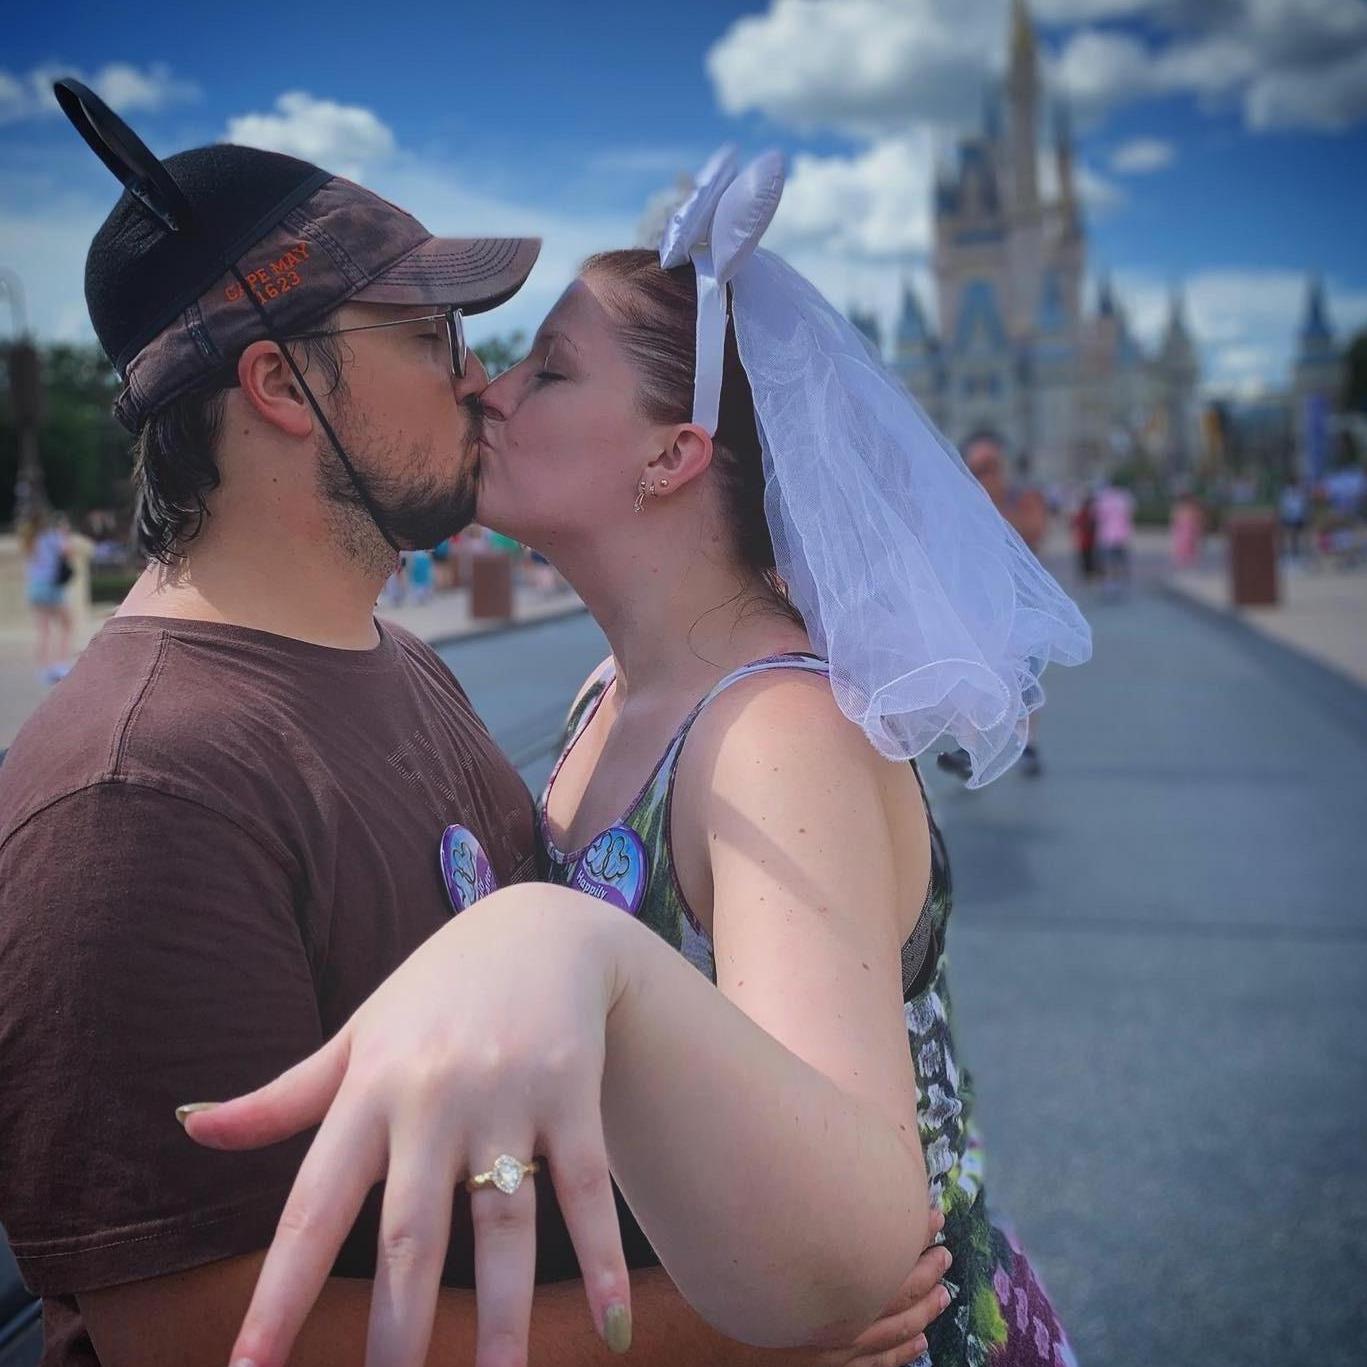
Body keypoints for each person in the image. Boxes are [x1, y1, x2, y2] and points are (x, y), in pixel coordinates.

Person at [0, 91, 959, 1367]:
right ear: (283, 383)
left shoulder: (401, 665)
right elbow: (189, 1334)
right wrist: (723, 1331)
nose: (476, 377)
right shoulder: (137, 788)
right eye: (428, 332)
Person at [181, 148, 1090, 1367]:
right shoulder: (611, 687)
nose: (487, 392)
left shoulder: (778, 739)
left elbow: (849, 1254)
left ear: (671, 456)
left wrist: (566, 940)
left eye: (549, 372)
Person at [937, 433, 1050, 779]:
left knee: (1024, 673)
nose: (983, 473)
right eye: (977, 467)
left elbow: (1033, 533)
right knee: (971, 666)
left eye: (990, 466)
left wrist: (996, 501)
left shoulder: (1020, 498)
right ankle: (969, 747)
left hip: (1020, 600)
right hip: (977, 600)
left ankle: (1026, 743)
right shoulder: (960, 499)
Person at [21, 511, 75, 681]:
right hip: (51, 586)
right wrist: (64, 534)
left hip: (34, 586)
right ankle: (61, 664)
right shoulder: (51, 537)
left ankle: (44, 668)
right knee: (66, 624)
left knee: (44, 630)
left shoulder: (28, 539)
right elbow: (67, 552)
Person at [1094, 479, 1136, 596]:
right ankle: (1119, 584)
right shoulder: (1124, 498)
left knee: (1108, 563)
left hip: (1107, 536)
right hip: (1121, 536)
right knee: (1119, 562)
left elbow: (1099, 517)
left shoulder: (1104, 499)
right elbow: (1129, 515)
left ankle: (1109, 584)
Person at [1169, 491, 1204, 570]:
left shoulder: (1191, 507)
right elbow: (1175, 519)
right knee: (1184, 546)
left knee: (1188, 545)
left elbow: (1197, 518)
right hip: (1184, 529)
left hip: (1188, 529)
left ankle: (1186, 562)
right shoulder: (1181, 507)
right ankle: (1183, 562)